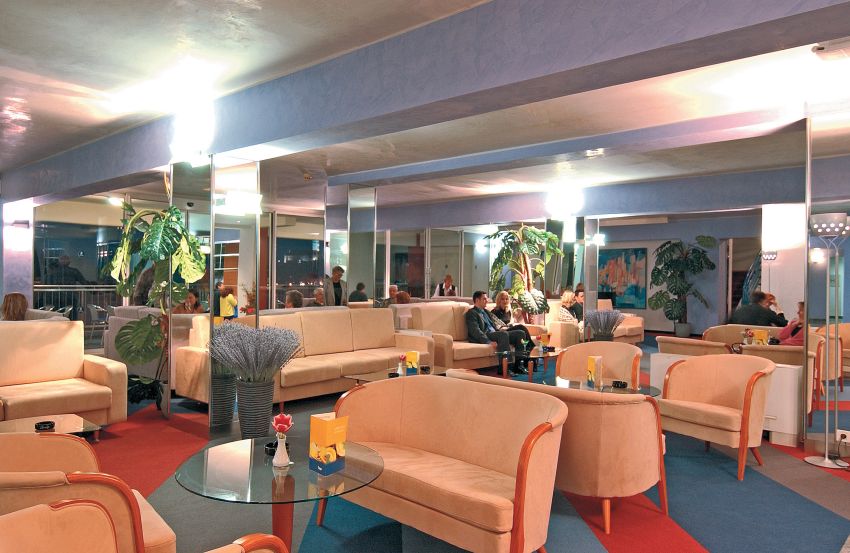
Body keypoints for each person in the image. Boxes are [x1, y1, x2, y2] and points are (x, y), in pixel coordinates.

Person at [465, 291, 528, 375]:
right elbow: (475, 331)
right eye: (484, 299)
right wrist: (488, 341)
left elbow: (497, 325)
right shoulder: (472, 313)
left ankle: (519, 366)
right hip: (486, 335)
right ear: (477, 300)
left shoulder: (486, 312)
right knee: (503, 334)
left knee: (520, 333)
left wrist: (504, 328)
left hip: (495, 333)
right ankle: (505, 367)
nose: (487, 301)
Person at [47, 254, 89, 320]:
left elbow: (48, 283)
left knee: (58, 315)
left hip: (57, 296)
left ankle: (59, 325)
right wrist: (93, 290)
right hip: (71, 296)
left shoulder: (54, 272)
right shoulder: (74, 271)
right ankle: (72, 325)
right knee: (72, 315)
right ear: (69, 262)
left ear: (59, 261)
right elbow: (83, 282)